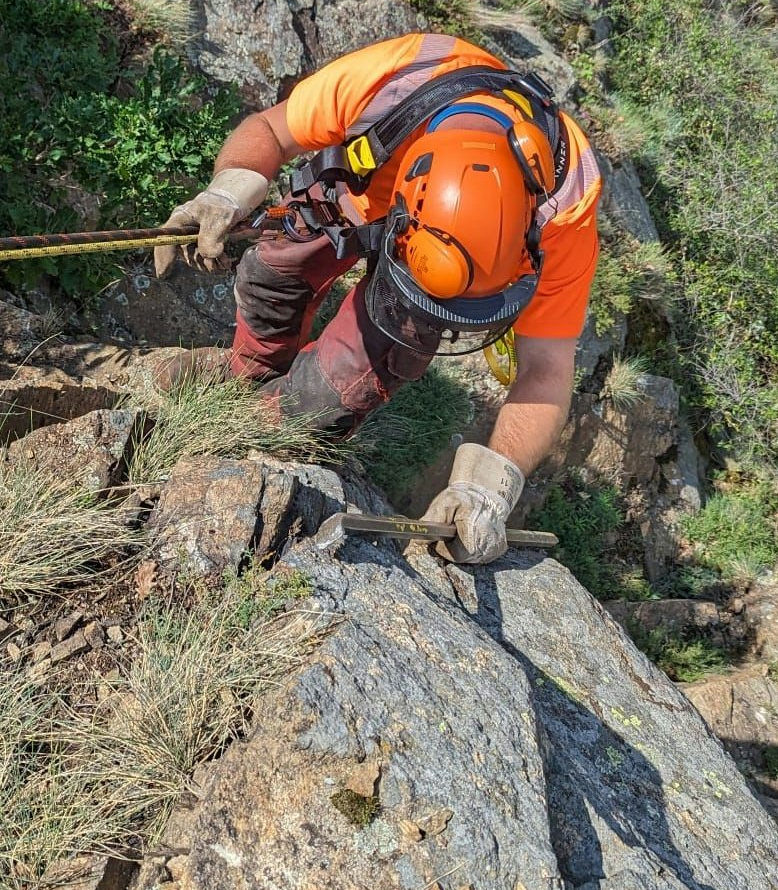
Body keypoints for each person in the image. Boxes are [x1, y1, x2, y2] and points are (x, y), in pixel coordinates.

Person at [154, 33, 603, 566]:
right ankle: (247, 378)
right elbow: (271, 130)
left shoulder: (565, 207)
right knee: (271, 276)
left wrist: (488, 486)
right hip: (360, 194)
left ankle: (266, 430)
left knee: (330, 396)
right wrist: (229, 191)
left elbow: (547, 368)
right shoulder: (397, 78)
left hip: (422, 255)